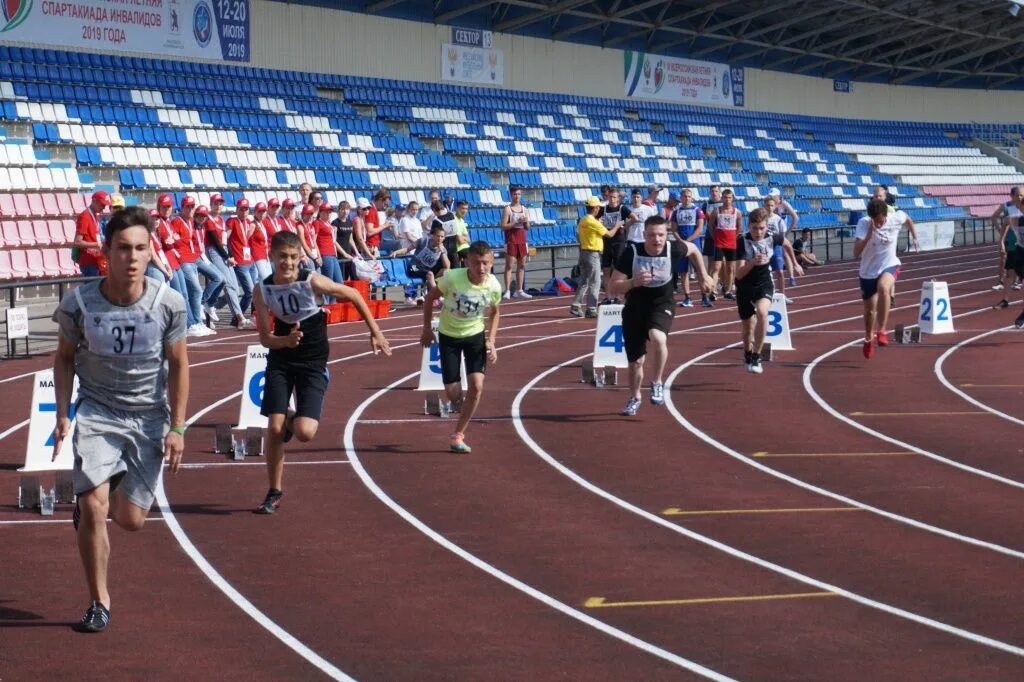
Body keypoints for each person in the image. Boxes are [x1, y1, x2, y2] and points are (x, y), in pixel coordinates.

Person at [51, 206, 190, 633]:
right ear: (106, 252)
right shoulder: (78, 304)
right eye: (123, 248)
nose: (132, 257)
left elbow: (180, 364)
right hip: (97, 410)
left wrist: (179, 427)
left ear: (150, 253)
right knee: (92, 506)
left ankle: (104, 488)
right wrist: (61, 413)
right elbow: (63, 358)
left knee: (130, 521)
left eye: (140, 249)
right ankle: (99, 601)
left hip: (148, 415)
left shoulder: (169, 303)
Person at [253, 231, 391, 514]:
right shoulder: (262, 290)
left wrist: (375, 332)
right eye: (282, 257)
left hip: (313, 362)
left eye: (293, 257)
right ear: (271, 257)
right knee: (274, 428)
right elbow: (265, 339)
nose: (287, 263)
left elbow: (353, 293)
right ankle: (274, 491)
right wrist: (285, 342)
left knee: (304, 432)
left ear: (300, 258)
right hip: (281, 358)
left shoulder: (312, 281)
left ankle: (292, 419)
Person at [609, 215, 712, 416]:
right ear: (644, 235)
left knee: (658, 337)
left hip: (662, 303)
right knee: (636, 362)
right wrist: (633, 283)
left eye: (661, 235)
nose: (657, 240)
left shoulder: (673, 248)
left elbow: (694, 250)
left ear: (666, 235)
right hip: (635, 307)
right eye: (652, 235)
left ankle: (657, 382)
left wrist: (703, 275)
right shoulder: (631, 253)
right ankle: (634, 396)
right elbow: (612, 286)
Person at [419, 241, 502, 453]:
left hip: (475, 336)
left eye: (485, 263)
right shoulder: (452, 278)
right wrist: (427, 329)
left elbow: (494, 312)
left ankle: (458, 435)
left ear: (491, 263)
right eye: (476, 263)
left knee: (477, 386)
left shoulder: (493, 286)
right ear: (467, 262)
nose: (481, 268)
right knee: (453, 392)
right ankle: (459, 402)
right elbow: (429, 299)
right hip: (449, 336)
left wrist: (491, 341)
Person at [735, 208, 803, 374]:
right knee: (747, 331)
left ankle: (757, 355)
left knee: (762, 312)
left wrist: (794, 263)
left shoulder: (773, 237)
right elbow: (738, 273)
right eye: (754, 228)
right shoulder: (742, 240)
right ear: (748, 226)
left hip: (764, 282)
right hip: (744, 284)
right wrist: (752, 262)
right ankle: (748, 352)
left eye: (761, 228)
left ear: (766, 227)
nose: (758, 232)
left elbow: (786, 243)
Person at [855, 198, 913, 359]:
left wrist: (913, 236)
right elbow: (855, 253)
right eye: (875, 221)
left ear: (885, 215)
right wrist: (868, 236)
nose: (878, 224)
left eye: (880, 221)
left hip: (890, 264)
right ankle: (868, 338)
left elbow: (907, 218)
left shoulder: (895, 218)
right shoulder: (864, 223)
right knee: (869, 311)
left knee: (884, 288)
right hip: (867, 271)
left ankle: (882, 330)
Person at [571, 196, 618, 318]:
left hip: (583, 252)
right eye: (598, 207)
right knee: (595, 281)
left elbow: (577, 234)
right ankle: (591, 308)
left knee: (584, 281)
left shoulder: (582, 220)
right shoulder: (593, 222)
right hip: (593, 253)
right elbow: (609, 234)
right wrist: (617, 226)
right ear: (595, 208)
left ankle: (576, 305)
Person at [669, 188, 706, 308]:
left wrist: (688, 241)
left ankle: (704, 297)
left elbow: (700, 228)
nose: (687, 198)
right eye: (685, 196)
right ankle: (687, 297)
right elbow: (673, 229)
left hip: (694, 243)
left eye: (689, 196)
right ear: (681, 197)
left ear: (692, 197)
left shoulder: (698, 210)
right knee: (683, 272)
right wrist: (681, 241)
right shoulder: (676, 211)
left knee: (699, 271)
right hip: (681, 243)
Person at [227, 198, 257, 324]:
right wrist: (229, 255)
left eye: (246, 209)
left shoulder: (249, 222)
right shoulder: (232, 221)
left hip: (250, 260)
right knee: (249, 292)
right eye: (242, 209)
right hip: (239, 261)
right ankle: (237, 317)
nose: (244, 212)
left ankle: (242, 317)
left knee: (253, 291)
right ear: (237, 210)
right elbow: (226, 239)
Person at [708, 188, 743, 301]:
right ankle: (713, 291)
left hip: (731, 243)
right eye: (725, 197)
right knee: (716, 267)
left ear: (732, 199)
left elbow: (739, 227)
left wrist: (734, 236)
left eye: (729, 198)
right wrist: (715, 237)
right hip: (719, 243)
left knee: (730, 268)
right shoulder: (716, 211)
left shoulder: (737, 212)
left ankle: (728, 291)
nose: (727, 200)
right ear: (722, 198)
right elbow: (710, 226)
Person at [598, 187, 631, 304]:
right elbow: (595, 219)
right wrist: (600, 224)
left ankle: (618, 296)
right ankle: (608, 296)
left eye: (614, 197)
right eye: (610, 197)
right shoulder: (604, 209)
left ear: (618, 198)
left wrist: (625, 227)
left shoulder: (622, 208)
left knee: (619, 270)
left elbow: (635, 218)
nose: (612, 199)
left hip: (619, 241)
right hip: (607, 241)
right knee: (606, 270)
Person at [500, 184, 531, 299]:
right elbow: (502, 226)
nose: (517, 196)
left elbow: (527, 227)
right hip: (511, 240)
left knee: (522, 265)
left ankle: (519, 289)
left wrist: (525, 221)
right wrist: (514, 222)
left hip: (522, 239)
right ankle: (507, 290)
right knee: (509, 265)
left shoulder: (524, 209)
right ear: (511, 195)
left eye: (518, 194)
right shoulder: (507, 209)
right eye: (515, 194)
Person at [406, 223, 451, 301]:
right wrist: (396, 252)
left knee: (446, 271)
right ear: (432, 236)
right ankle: (437, 295)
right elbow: (407, 249)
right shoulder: (423, 241)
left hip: (425, 270)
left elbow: (447, 266)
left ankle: (429, 295)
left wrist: (442, 251)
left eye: (442, 237)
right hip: (413, 267)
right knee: (429, 274)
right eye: (438, 236)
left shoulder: (442, 249)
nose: (439, 238)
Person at [993, 187, 1022, 305]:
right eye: (1018, 195)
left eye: (1021, 195)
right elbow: (1005, 223)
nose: (1019, 198)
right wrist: (1001, 241)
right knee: (1009, 271)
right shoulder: (1011, 211)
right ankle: (1005, 299)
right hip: (1015, 245)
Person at [73, 190, 110, 277]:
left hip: (95, 260)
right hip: (88, 262)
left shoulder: (95, 215)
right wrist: (98, 244)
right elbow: (77, 242)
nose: (104, 207)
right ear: (94, 201)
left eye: (105, 205)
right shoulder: (85, 216)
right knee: (91, 289)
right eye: (102, 204)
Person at [763, 195, 793, 303]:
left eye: (771, 205)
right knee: (765, 273)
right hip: (764, 248)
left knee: (780, 271)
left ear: (775, 206)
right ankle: (767, 295)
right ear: (764, 206)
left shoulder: (778, 220)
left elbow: (782, 236)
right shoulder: (761, 219)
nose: (769, 207)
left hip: (776, 248)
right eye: (767, 205)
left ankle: (782, 295)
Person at [452, 200, 472, 266]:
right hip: (459, 248)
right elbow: (460, 240)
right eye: (462, 208)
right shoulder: (454, 219)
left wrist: (463, 238)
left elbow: (469, 239)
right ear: (457, 208)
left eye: (466, 209)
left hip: (466, 247)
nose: (464, 211)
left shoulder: (462, 220)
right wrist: (464, 238)